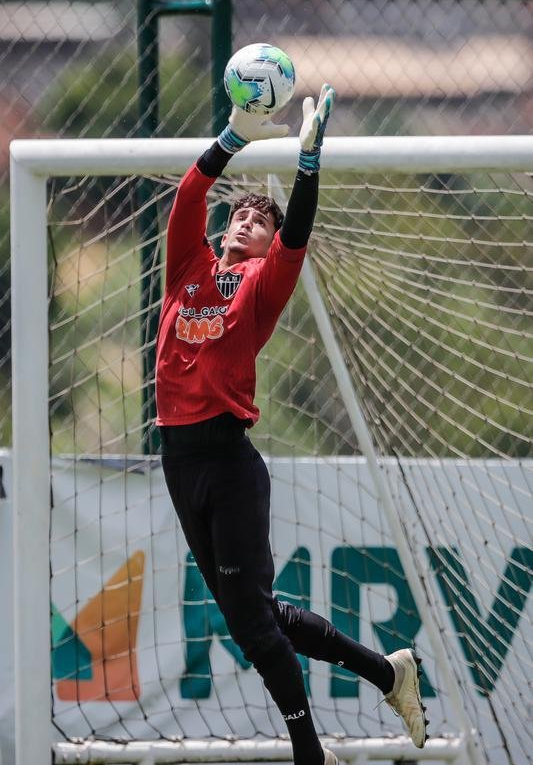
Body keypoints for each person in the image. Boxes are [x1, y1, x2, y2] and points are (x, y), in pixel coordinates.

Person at [156, 84, 428, 765]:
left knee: (250, 622)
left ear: (269, 242)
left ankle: (310, 754)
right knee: (257, 615)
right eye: (240, 211)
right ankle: (387, 673)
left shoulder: (260, 285)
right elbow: (189, 198)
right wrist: (233, 136)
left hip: (225, 461)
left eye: (259, 217)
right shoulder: (189, 269)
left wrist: (307, 161)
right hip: (177, 460)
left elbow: (298, 230)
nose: (245, 217)